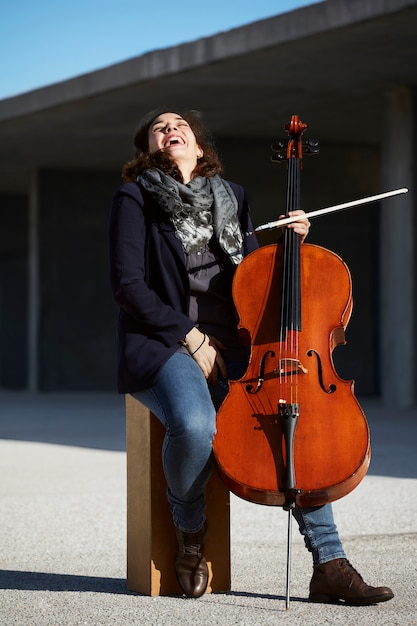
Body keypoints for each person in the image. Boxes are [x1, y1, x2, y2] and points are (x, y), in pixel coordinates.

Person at [108, 107, 394, 604]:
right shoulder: (135, 198)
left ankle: (329, 563)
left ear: (199, 146)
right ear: (148, 151)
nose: (170, 129)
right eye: (159, 128)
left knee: (294, 420)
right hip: (165, 339)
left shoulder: (233, 197)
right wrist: (191, 338)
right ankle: (191, 538)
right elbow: (129, 286)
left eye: (180, 125)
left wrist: (291, 245)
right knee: (196, 425)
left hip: (238, 344)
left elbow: (253, 279)